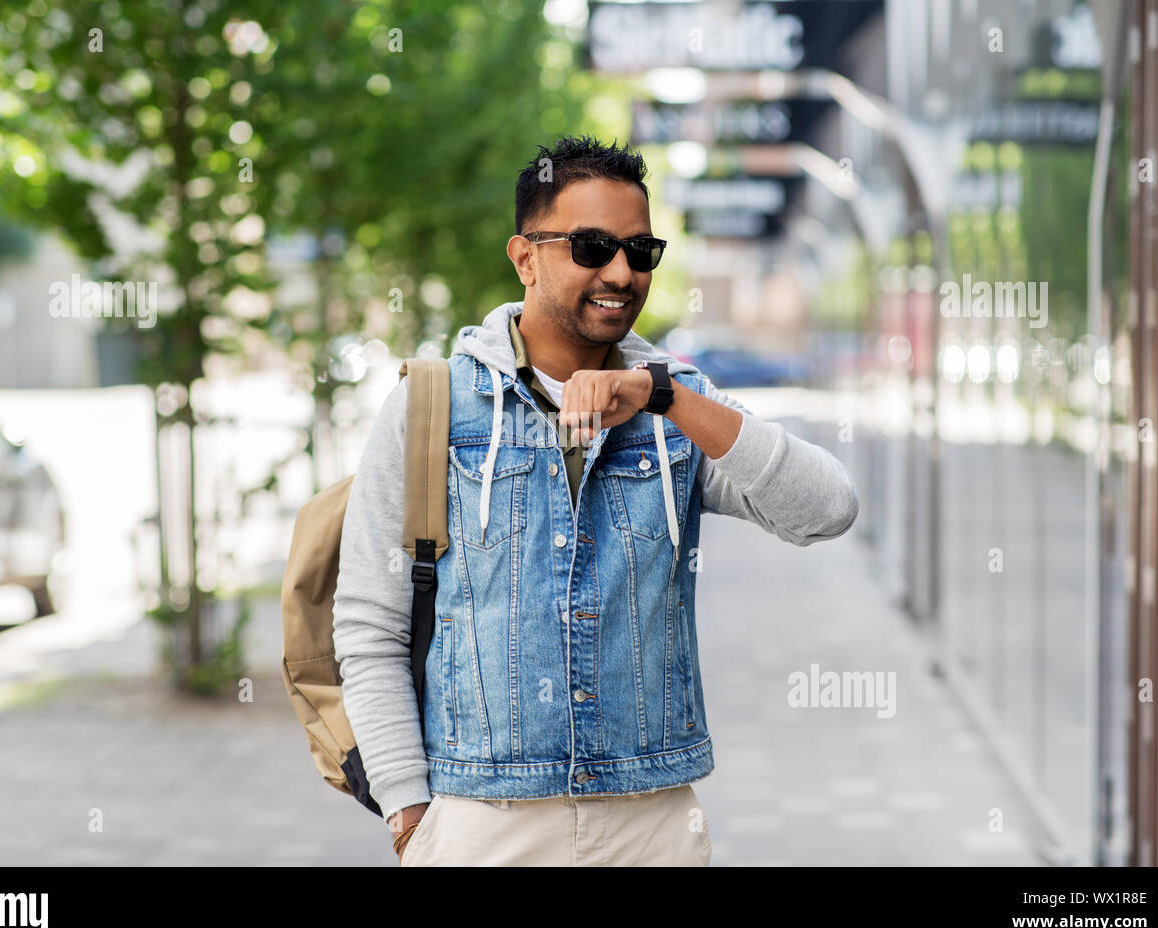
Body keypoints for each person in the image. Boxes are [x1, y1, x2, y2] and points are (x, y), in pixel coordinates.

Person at [332, 134, 859, 866]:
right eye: (592, 246)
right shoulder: (433, 406)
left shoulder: (674, 404)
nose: (621, 271)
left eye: (641, 252)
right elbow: (369, 625)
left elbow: (828, 508)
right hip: (485, 820)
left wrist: (665, 396)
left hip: (649, 823)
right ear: (525, 257)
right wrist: (409, 811)